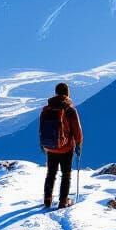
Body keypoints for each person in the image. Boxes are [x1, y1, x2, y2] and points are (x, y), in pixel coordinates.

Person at [38, 81, 83, 209]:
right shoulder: (70, 110)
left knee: (51, 173)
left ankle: (47, 199)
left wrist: (42, 143)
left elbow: (41, 128)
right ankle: (63, 201)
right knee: (66, 174)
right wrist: (79, 144)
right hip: (66, 148)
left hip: (50, 147)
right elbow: (77, 130)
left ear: (56, 93)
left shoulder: (46, 109)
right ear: (67, 94)